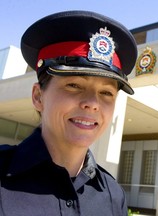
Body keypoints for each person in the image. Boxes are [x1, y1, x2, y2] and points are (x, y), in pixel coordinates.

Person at [0, 10, 137, 216]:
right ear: (38, 96)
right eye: (73, 85)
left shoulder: (113, 195)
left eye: (106, 92)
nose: (92, 103)